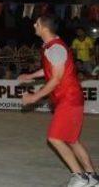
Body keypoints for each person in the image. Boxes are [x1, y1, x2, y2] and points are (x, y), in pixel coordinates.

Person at [19, 15, 98, 187]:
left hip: (68, 98)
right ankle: (92, 177)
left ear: (44, 28)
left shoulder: (55, 48)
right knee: (72, 140)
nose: (34, 25)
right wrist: (31, 75)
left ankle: (80, 177)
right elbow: (50, 69)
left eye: (37, 23)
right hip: (69, 98)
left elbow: (55, 79)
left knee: (54, 138)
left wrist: (34, 97)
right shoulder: (52, 46)